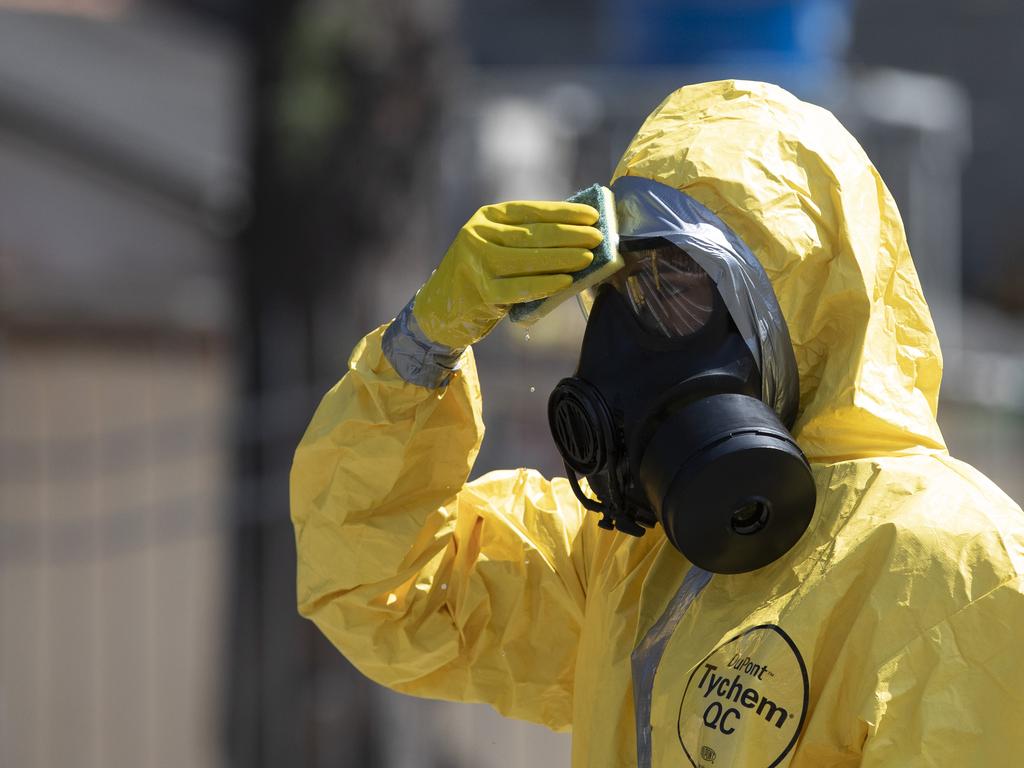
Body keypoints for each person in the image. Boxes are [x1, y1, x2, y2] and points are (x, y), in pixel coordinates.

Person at [290, 80, 1024, 766]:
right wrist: (426, 343)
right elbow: (382, 591)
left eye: (676, 286)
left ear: (804, 314)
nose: (622, 341)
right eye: (621, 289)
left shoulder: (956, 574)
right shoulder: (629, 563)